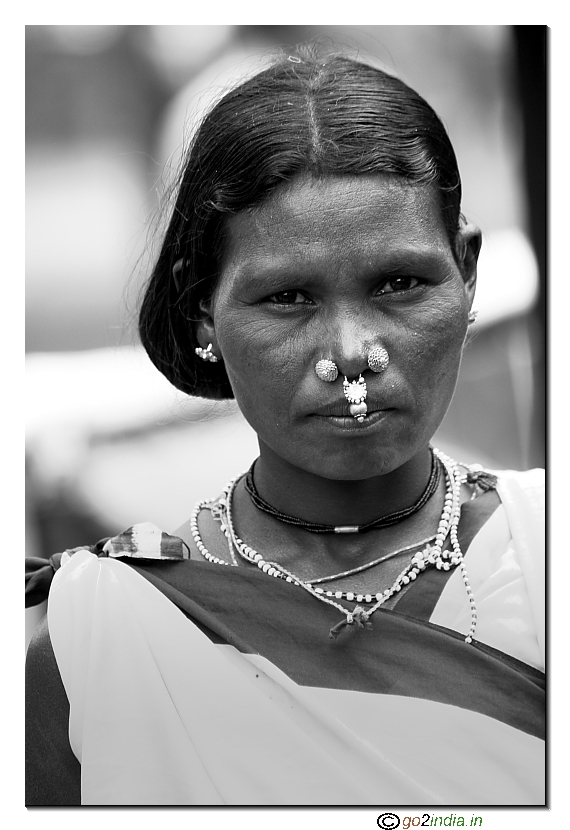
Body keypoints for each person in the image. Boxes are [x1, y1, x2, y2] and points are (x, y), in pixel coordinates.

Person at [25, 46, 545, 807]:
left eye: (400, 284)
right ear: (203, 306)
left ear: (467, 275)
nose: (350, 355)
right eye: (289, 298)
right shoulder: (98, 641)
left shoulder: (543, 561)